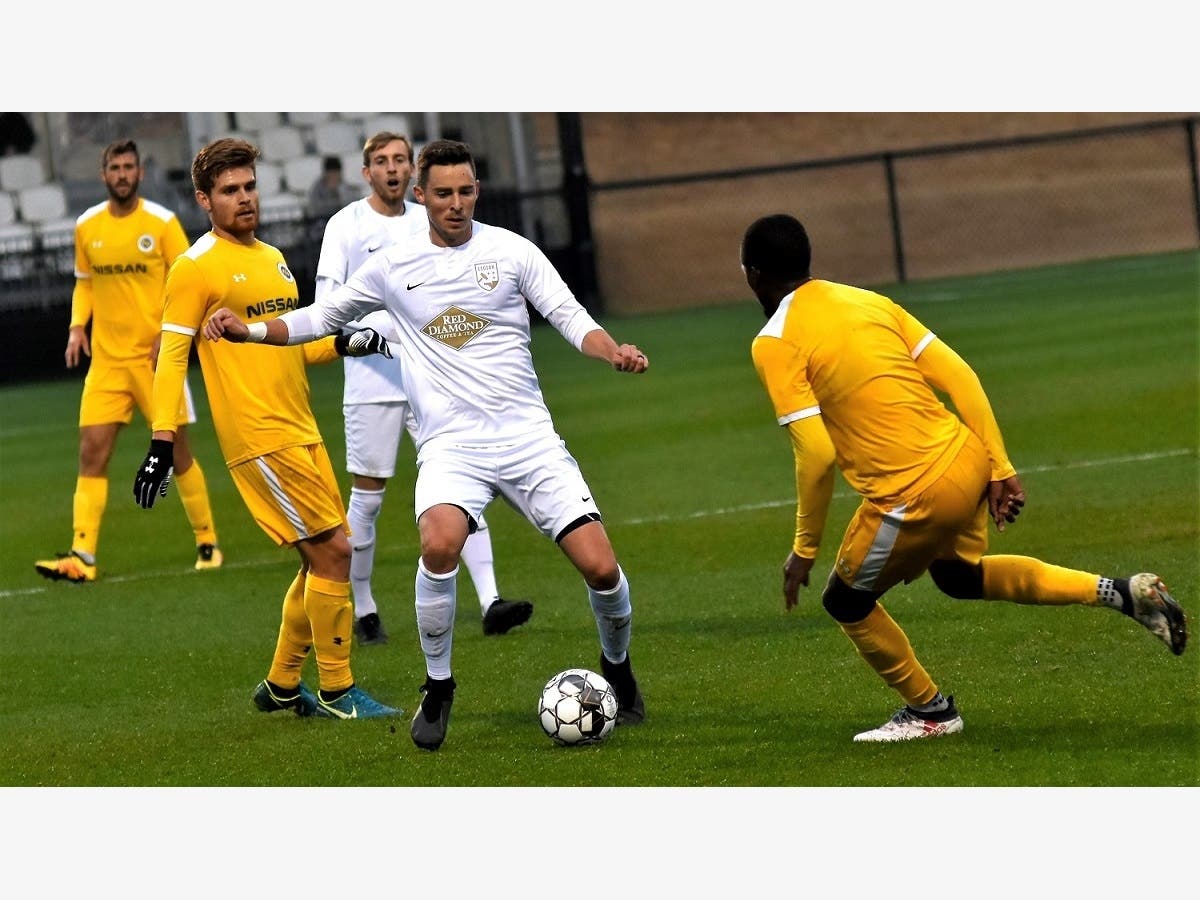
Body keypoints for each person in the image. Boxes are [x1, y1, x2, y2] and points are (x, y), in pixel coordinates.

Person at [202, 139, 649, 751]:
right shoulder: (393, 265)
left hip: (528, 439)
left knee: (602, 569)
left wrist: (613, 350)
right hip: (452, 446)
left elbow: (572, 318)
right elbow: (322, 316)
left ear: (476, 193)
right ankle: (438, 687)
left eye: (466, 191)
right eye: (443, 193)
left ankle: (618, 669)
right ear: (421, 195)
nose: (456, 204)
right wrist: (250, 330)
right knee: (438, 545)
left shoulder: (511, 251)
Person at [741, 213, 1188, 743]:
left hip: (913, 495)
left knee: (845, 601)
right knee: (958, 577)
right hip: (965, 457)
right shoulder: (868, 300)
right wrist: (998, 466)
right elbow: (961, 377)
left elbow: (816, 454)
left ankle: (931, 711)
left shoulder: (773, 342)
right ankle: (1122, 593)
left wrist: (804, 549)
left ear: (752, 274)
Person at [132, 136, 399, 720]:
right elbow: (171, 357)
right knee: (336, 553)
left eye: (250, 186)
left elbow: (290, 345)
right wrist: (161, 440)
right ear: (204, 199)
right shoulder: (195, 268)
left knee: (318, 560)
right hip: (260, 437)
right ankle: (336, 690)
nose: (244, 198)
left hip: (300, 426)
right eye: (230, 190)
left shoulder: (273, 257)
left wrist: (347, 342)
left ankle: (281, 684)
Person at [313, 130, 533, 646]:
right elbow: (328, 306)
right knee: (368, 499)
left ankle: (490, 600)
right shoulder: (345, 225)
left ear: (412, 173)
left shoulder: (430, 220)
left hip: (435, 376)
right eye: (381, 161)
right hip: (372, 380)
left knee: (463, 481)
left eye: (400, 160)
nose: (392, 168)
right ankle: (363, 607)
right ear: (365, 171)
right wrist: (367, 338)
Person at [35, 138, 222, 583]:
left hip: (158, 362)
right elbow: (84, 283)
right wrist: (77, 326)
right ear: (104, 175)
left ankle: (207, 542)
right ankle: (83, 555)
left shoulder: (161, 223)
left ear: (139, 173)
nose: (122, 174)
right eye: (115, 168)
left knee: (177, 453)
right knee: (91, 453)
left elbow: (188, 282)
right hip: (107, 364)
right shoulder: (87, 226)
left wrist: (167, 333)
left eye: (129, 167)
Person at [305, 155, 358, 222]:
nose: (334, 177)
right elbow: (316, 209)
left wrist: (339, 192)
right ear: (326, 174)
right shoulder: (316, 190)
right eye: (331, 174)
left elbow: (351, 206)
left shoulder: (345, 187)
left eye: (336, 173)